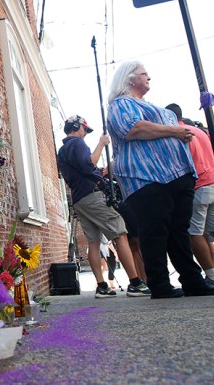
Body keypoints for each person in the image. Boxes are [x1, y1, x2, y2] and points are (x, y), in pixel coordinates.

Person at [106, 61, 214, 299]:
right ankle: (159, 283)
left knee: (178, 230)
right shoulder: (121, 104)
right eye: (144, 74)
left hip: (177, 176)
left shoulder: (152, 107)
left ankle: (192, 280)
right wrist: (174, 131)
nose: (149, 77)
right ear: (130, 79)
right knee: (155, 231)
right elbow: (133, 129)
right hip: (146, 177)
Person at [57, 114, 151, 298]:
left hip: (79, 199)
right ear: (77, 127)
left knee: (93, 241)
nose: (86, 134)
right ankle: (135, 283)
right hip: (91, 195)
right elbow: (88, 164)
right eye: (85, 129)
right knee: (120, 234)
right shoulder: (77, 144)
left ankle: (102, 287)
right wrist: (101, 144)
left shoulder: (62, 150)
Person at [165, 103, 214, 289]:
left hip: (198, 186)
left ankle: (211, 276)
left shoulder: (177, 133)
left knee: (193, 233)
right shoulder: (199, 131)